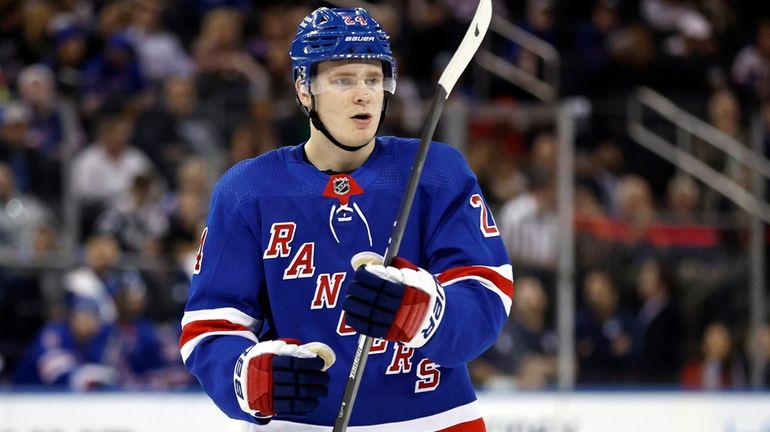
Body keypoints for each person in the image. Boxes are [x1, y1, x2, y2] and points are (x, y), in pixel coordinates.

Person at [179, 7, 513, 431]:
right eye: (343, 80)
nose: (364, 94)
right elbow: (212, 322)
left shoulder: (435, 171)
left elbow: (486, 293)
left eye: (374, 79)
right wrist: (247, 376)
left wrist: (428, 311)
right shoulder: (247, 190)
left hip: (434, 420)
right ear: (304, 90)